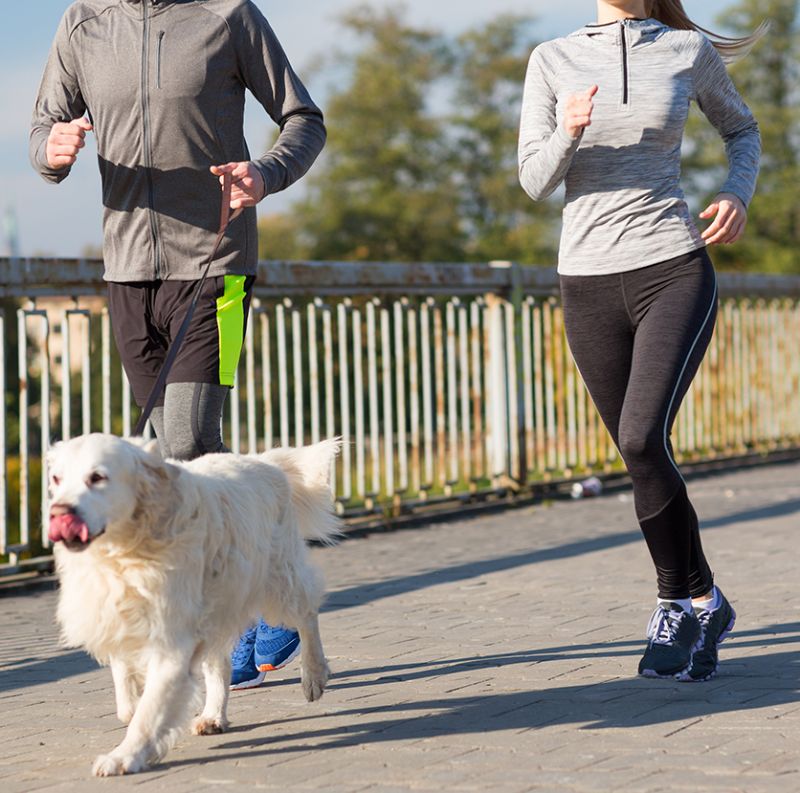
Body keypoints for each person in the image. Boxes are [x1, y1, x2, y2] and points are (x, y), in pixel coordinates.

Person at [30, 0, 326, 691]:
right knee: (162, 454)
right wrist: (50, 152)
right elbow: (43, 127)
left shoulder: (228, 15)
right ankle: (213, 602)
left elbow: (303, 119)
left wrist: (267, 172)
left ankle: (248, 608)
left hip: (216, 265)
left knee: (189, 441)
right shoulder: (83, 20)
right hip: (126, 271)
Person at [518, 0, 763, 681]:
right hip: (586, 282)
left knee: (638, 436)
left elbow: (742, 130)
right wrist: (567, 131)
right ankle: (706, 599)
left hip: (672, 268)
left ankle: (670, 602)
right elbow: (534, 180)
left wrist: (737, 193)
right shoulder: (551, 60)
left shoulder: (686, 53)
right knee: (641, 453)